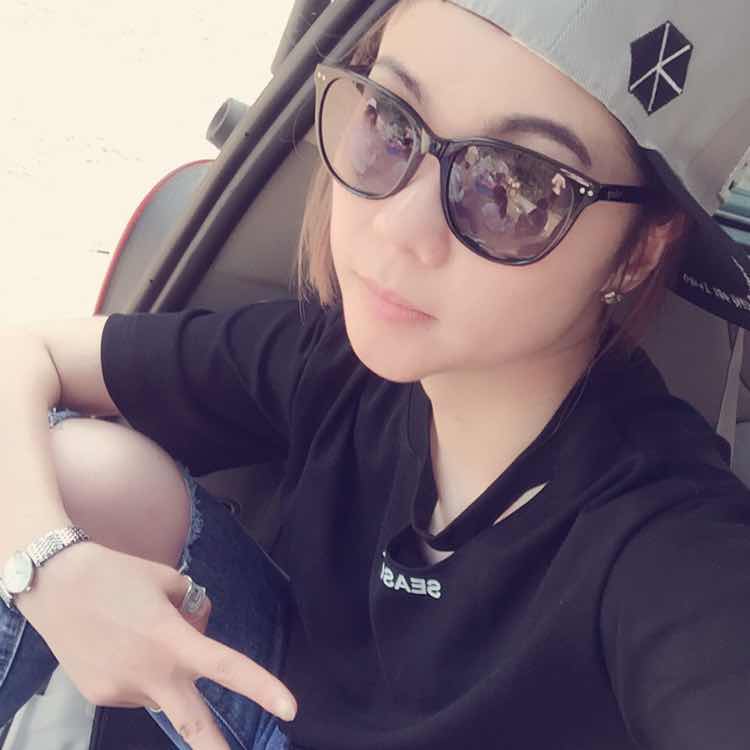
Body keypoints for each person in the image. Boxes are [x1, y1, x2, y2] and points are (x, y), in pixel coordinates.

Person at [1, 1, 750, 748]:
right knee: (79, 472)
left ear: (638, 253)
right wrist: (48, 567)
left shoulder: (670, 540)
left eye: (515, 188)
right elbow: (22, 353)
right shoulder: (333, 362)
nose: (398, 225)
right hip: (262, 709)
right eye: (390, 124)